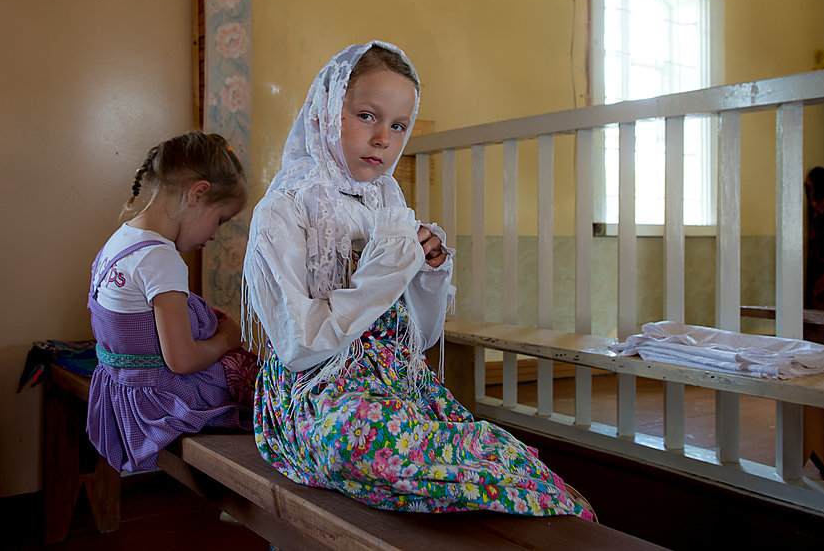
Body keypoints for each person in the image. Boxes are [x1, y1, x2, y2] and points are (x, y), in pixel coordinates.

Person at [242, 41, 593, 519]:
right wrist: (385, 269)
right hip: (317, 393)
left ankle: (551, 501)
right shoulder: (282, 210)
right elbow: (297, 346)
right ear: (325, 112)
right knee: (362, 437)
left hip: (398, 383)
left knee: (467, 442)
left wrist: (426, 274)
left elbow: (419, 339)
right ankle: (523, 489)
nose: (383, 138)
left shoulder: (387, 203)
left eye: (398, 125)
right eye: (367, 115)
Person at [86, 130, 257, 473]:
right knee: (270, 387)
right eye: (219, 220)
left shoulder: (122, 239)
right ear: (198, 193)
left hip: (120, 387)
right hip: (159, 400)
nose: (214, 235)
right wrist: (226, 339)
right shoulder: (160, 259)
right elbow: (182, 360)